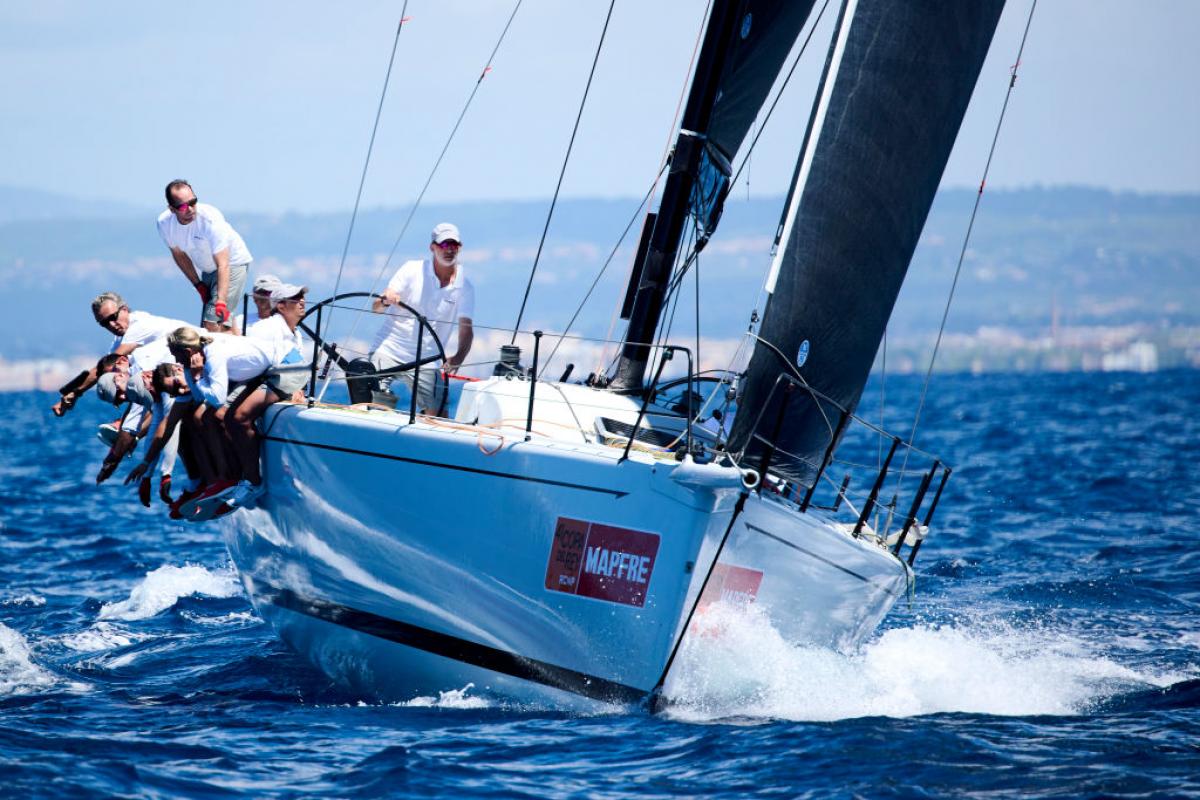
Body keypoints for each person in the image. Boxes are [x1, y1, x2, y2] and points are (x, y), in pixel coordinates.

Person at [368, 222, 475, 414]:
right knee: (367, 400)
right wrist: (385, 300)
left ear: (460, 248)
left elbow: (466, 329)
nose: (449, 250)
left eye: (454, 245)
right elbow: (376, 308)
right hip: (389, 349)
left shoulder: (465, 287)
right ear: (432, 247)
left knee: (439, 416)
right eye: (444, 244)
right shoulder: (412, 269)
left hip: (426, 360)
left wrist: (459, 357)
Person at [51, 292, 193, 416]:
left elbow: (103, 367)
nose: (111, 325)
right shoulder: (120, 338)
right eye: (104, 323)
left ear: (124, 309)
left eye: (113, 317)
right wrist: (71, 392)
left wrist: (74, 392)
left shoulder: (139, 325)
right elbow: (103, 367)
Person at [157, 180, 253, 333]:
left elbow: (223, 264)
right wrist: (198, 284)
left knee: (212, 323)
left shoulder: (210, 219)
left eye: (193, 202)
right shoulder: (165, 224)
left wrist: (221, 301)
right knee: (222, 323)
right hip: (208, 270)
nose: (190, 209)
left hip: (232, 264)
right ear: (172, 209)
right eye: (182, 206)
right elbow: (179, 255)